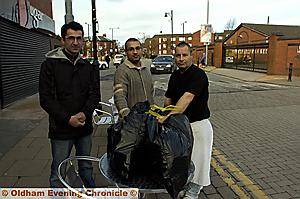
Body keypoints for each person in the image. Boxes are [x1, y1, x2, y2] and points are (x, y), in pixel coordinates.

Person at [39, 21, 100, 188]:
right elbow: (46, 98)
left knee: (86, 166)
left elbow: (94, 95)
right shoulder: (49, 65)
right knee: (59, 170)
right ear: (63, 40)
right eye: (71, 38)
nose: (75, 42)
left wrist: (85, 114)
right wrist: (68, 118)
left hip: (84, 127)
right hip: (61, 130)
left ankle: (90, 193)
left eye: (79, 38)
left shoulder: (87, 66)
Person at [160, 41, 213, 199]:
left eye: (185, 55)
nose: (181, 58)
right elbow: (168, 98)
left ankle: (193, 192)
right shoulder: (175, 75)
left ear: (191, 55)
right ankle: (187, 186)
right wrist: (163, 111)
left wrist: (168, 116)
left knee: (199, 161)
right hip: (180, 127)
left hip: (197, 125)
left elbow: (187, 98)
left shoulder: (198, 75)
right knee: (183, 162)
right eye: (178, 55)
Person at [113, 38, 154, 118]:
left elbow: (151, 95)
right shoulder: (122, 71)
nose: (135, 52)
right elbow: (119, 97)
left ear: (142, 50)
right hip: (133, 124)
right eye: (131, 49)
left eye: (137, 48)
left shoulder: (146, 70)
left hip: (148, 120)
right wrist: (128, 118)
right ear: (126, 52)